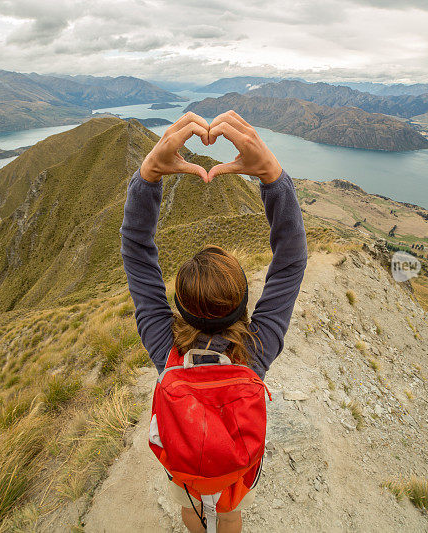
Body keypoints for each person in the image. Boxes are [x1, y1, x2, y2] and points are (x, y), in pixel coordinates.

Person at [119, 110, 307, 533]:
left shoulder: (163, 347)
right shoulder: (255, 351)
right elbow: (291, 258)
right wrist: (272, 176)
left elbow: (136, 248)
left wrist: (148, 174)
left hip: (185, 468)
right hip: (233, 468)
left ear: (178, 306)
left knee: (190, 503)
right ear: (244, 306)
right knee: (229, 509)